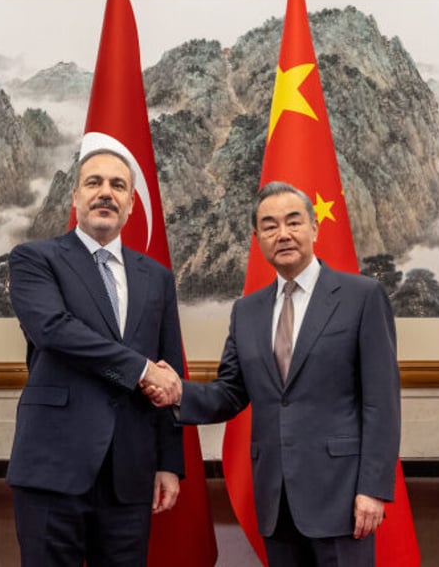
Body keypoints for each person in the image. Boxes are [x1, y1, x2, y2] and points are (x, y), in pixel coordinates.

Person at [146, 181, 401, 567]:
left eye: (293, 222)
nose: (282, 234)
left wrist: (374, 489)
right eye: (269, 226)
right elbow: (231, 392)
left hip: (343, 498)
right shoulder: (247, 311)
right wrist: (179, 392)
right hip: (275, 499)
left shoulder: (361, 296)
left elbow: (381, 402)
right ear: (258, 238)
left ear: (314, 228)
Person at [6, 148, 184, 567]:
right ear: (75, 197)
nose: (106, 193)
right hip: (53, 467)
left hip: (130, 473)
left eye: (118, 186)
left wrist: (169, 462)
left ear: (131, 204)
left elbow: (169, 371)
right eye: (94, 183)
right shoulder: (34, 259)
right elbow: (54, 330)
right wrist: (139, 368)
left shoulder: (156, 277)